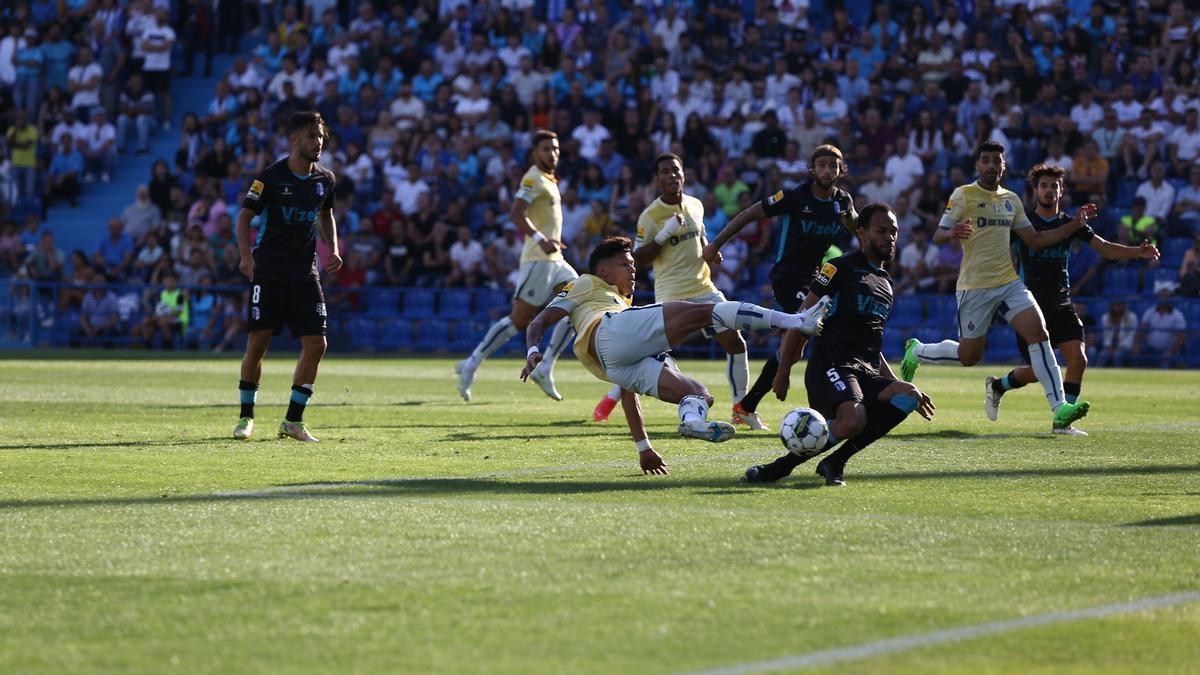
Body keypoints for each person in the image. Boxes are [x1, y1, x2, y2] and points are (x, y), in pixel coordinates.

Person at [521, 237, 829, 475]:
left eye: (633, 264)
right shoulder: (587, 283)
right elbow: (538, 321)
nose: (633, 269)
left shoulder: (622, 302)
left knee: (698, 394)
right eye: (625, 264)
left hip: (611, 365)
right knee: (707, 311)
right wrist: (534, 350)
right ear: (602, 269)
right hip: (608, 332)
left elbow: (629, 394)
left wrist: (643, 448)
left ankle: (691, 421)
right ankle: (797, 320)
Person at [900, 142, 1093, 432]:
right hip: (974, 286)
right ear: (978, 164)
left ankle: (1060, 408)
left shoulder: (1012, 200)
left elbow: (1035, 240)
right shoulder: (963, 195)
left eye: (996, 161)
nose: (991, 165)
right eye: (986, 160)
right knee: (969, 357)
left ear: (1004, 166)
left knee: (1039, 335)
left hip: (1009, 282)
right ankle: (917, 351)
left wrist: (1074, 225)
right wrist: (953, 232)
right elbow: (938, 236)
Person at [744, 204, 935, 486]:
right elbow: (802, 318)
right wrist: (782, 372)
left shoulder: (886, 282)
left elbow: (870, 343)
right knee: (853, 421)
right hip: (831, 364)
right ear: (862, 233)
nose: (890, 237)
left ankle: (834, 461)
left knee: (909, 396)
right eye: (881, 231)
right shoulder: (839, 268)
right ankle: (779, 467)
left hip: (865, 370)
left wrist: (893, 382)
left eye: (893, 231)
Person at [984, 164, 1160, 435]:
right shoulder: (1023, 224)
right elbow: (998, 247)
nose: (1049, 190)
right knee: (1037, 372)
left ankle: (1062, 422)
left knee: (1078, 360)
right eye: (1044, 185)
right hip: (1028, 308)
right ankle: (998, 386)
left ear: (1061, 190)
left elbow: (1105, 247)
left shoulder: (1072, 223)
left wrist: (1139, 251)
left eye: (1054, 186)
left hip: (1062, 304)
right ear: (1035, 190)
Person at [592, 153, 755, 427]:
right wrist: (664, 235)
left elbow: (701, 237)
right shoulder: (650, 216)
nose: (672, 176)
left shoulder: (696, 204)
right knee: (648, 358)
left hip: (704, 287)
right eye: (665, 172)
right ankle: (610, 398)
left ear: (684, 174)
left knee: (736, 344)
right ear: (657, 179)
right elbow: (640, 259)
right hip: (671, 294)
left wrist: (710, 252)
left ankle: (742, 410)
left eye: (676, 171)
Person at [703, 145, 857, 426]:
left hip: (814, 279)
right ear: (812, 169)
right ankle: (819, 397)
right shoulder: (794, 197)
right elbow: (749, 214)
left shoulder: (843, 202)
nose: (826, 170)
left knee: (795, 348)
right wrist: (715, 244)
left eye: (832, 166)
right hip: (787, 277)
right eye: (821, 165)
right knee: (810, 328)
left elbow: (857, 228)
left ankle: (746, 406)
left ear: (841, 170)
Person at [234, 111, 341, 442]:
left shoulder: (325, 180)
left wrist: (333, 248)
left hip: (304, 274)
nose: (318, 142)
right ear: (294, 140)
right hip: (268, 272)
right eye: (311, 137)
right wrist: (246, 256)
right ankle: (245, 417)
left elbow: (327, 215)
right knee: (258, 344)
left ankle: (293, 421)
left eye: (321, 137)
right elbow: (243, 218)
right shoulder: (270, 178)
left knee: (317, 344)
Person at [456, 130, 578, 402]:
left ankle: (545, 367)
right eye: (546, 149)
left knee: (579, 301)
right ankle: (471, 363)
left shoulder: (548, 179)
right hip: (537, 260)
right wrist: (540, 238)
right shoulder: (532, 177)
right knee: (518, 321)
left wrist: (552, 240)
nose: (552, 153)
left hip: (555, 259)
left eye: (555, 148)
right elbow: (515, 213)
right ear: (534, 153)